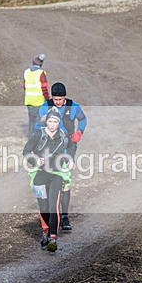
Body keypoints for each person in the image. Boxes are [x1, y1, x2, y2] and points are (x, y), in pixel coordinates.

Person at [35, 82, 87, 232]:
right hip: (50, 149)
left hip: (68, 147)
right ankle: (50, 214)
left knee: (65, 180)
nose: (58, 102)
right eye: (56, 99)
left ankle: (64, 216)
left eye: (61, 99)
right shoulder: (45, 107)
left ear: (65, 97)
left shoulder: (73, 106)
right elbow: (39, 126)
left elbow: (83, 119)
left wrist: (79, 132)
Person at [23, 107, 75, 252]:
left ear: (59, 123)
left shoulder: (63, 136)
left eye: (55, 122)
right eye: (50, 121)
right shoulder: (38, 134)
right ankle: (45, 231)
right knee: (43, 207)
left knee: (53, 207)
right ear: (46, 122)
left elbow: (71, 146)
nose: (52, 124)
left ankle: (53, 237)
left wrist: (70, 159)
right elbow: (26, 151)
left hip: (56, 174)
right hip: (40, 175)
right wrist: (34, 160)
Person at [23, 53, 50, 136]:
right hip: (39, 101)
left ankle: (31, 139)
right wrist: (48, 99)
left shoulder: (26, 72)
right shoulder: (41, 73)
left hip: (29, 101)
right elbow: (44, 88)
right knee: (39, 122)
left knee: (32, 121)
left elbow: (25, 87)